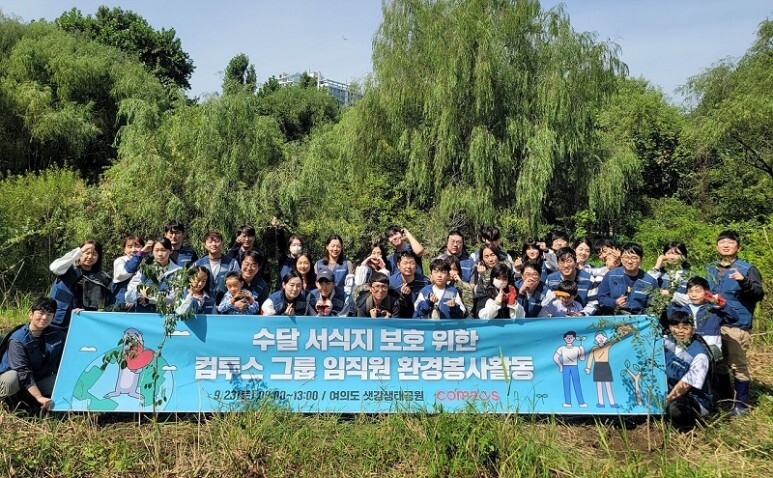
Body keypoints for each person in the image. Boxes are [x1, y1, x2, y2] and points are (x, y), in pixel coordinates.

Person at [705, 230, 764, 415]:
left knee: (738, 364)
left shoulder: (747, 269)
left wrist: (744, 281)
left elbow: (758, 294)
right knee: (718, 362)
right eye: (722, 242)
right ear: (716, 246)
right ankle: (725, 396)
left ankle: (741, 405)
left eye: (730, 242)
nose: (726, 245)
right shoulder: (710, 269)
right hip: (714, 324)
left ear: (738, 247)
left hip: (736, 325)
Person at [0, 297, 64, 410]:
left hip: (38, 377)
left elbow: (73, 347)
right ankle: (11, 407)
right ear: (31, 314)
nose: (44, 317)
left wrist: (79, 316)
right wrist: (39, 396)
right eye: (41, 313)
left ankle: (35, 403)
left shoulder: (56, 334)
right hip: (15, 379)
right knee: (11, 379)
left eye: (49, 314)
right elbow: (22, 372)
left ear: (53, 317)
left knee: (63, 384)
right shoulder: (17, 339)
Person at [664, 311, 715, 430]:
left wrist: (666, 401)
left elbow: (686, 385)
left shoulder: (700, 355)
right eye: (676, 327)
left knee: (676, 409)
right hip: (670, 392)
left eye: (685, 327)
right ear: (670, 328)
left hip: (694, 398)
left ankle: (687, 429)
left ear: (693, 329)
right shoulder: (666, 342)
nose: (680, 331)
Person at [49, 240, 112, 330]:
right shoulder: (66, 268)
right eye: (87, 253)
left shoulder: (101, 277)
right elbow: (54, 268)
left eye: (94, 254)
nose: (90, 257)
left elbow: (109, 301)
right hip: (57, 320)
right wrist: (79, 251)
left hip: (83, 323)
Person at [676, 277, 739, 357]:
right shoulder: (683, 310)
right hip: (690, 350)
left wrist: (723, 306)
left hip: (711, 350)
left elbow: (734, 318)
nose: (693, 294)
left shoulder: (714, 309)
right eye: (690, 291)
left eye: (698, 291)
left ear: (707, 292)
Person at [597, 243, 658, 315]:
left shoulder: (650, 281)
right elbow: (601, 297)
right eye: (626, 257)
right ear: (621, 258)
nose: (629, 261)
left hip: (638, 318)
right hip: (613, 316)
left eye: (634, 258)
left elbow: (653, 306)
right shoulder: (610, 276)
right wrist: (614, 302)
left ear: (641, 260)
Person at [126, 238, 182, 313]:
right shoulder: (144, 268)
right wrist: (139, 292)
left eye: (163, 250)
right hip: (142, 313)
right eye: (156, 250)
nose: (160, 254)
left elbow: (174, 297)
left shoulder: (178, 271)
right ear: (152, 251)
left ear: (170, 251)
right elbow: (129, 294)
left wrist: (149, 296)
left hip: (167, 315)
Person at [545, 247, 598, 316]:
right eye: (562, 262)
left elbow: (593, 303)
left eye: (569, 261)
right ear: (557, 264)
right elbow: (545, 302)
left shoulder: (589, 279)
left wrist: (581, 314)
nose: (566, 265)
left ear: (575, 263)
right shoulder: (550, 280)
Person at [193, 231, 241, 298]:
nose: (214, 244)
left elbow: (238, 284)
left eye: (217, 241)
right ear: (205, 245)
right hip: (204, 301)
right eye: (210, 242)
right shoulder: (198, 264)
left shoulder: (232, 263)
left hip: (226, 300)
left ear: (222, 243)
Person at [109, 235, 149, 310]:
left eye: (137, 246)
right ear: (124, 249)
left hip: (140, 306)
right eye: (130, 247)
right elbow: (122, 274)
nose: (133, 250)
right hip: (121, 305)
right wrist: (139, 255)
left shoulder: (146, 264)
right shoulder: (120, 261)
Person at [389, 250, 429, 318]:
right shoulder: (392, 283)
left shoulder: (425, 282)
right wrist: (402, 297)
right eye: (405, 263)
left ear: (416, 265)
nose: (408, 266)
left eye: (412, 263)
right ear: (398, 265)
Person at [553, 331, 588, 408]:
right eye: (567, 338)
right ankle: (568, 403)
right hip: (565, 367)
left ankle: (581, 402)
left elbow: (582, 358)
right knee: (566, 384)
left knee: (577, 384)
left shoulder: (577, 348)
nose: (569, 339)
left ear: (574, 338)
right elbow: (555, 357)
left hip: (574, 367)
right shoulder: (561, 348)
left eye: (571, 338)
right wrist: (560, 366)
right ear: (564, 339)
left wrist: (582, 350)